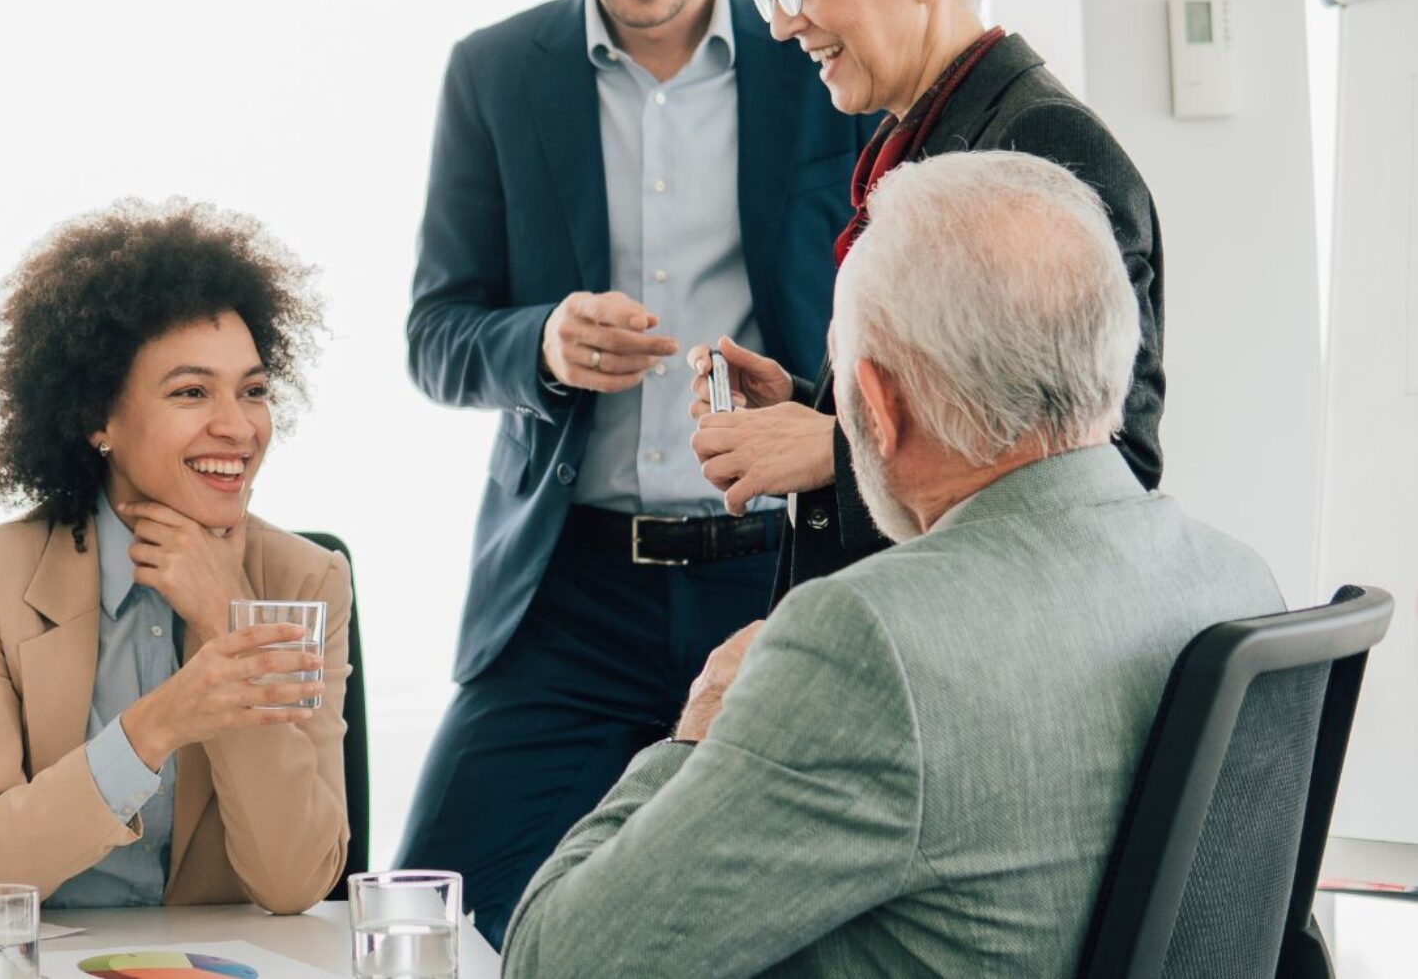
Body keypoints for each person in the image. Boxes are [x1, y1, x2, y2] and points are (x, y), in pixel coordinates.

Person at [502, 151, 1281, 976]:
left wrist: (699, 730)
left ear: (874, 402)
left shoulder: (866, 641)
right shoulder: (1238, 583)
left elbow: (559, 962)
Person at [399, 0, 865, 942]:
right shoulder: (495, 76)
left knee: (764, 925)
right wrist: (542, 342)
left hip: (780, 575)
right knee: (431, 913)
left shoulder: (820, 65)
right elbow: (436, 335)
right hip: (568, 591)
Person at [688, 0, 1165, 599]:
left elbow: (1110, 463)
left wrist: (832, 451)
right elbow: (980, 405)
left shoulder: (1039, 145)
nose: (781, 24)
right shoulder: (925, 138)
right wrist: (816, 404)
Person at [0, 200, 351, 914]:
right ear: (98, 419)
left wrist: (228, 617)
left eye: (253, 391)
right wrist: (159, 725)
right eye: (191, 392)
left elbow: (296, 881)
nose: (237, 427)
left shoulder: (308, 580)